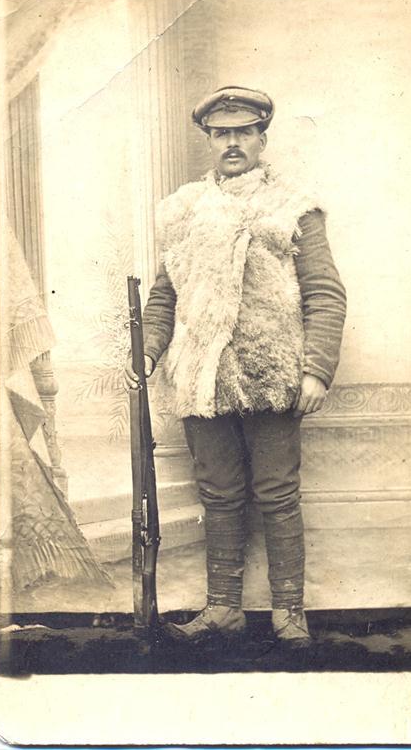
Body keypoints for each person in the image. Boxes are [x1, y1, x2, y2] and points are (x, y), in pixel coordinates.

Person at [124, 86, 346, 645]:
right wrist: (148, 350)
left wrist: (315, 369)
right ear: (209, 141)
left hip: (272, 373)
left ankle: (288, 612)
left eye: (243, 133)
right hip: (201, 374)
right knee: (218, 493)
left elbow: (326, 293)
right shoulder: (183, 211)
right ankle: (223, 607)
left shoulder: (293, 207)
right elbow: (164, 296)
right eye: (221, 134)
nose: (232, 143)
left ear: (261, 140)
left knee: (277, 493)